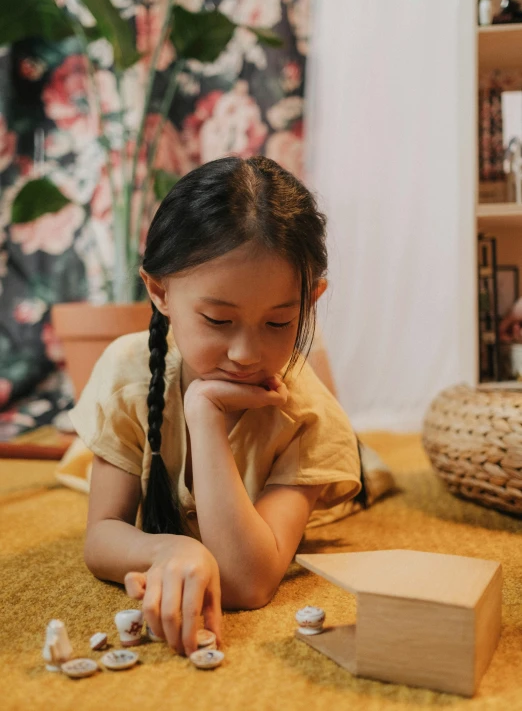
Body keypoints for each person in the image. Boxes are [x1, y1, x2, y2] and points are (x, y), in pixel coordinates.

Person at [69, 155, 362, 658]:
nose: (246, 355)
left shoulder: (309, 418)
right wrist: (170, 546)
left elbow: (248, 582)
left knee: (360, 449)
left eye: (277, 323)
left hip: (308, 426)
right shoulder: (128, 374)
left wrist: (203, 411)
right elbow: (101, 535)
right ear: (159, 291)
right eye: (218, 320)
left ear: (310, 302)